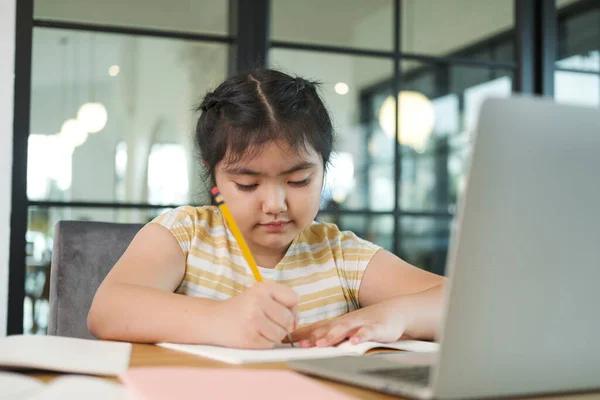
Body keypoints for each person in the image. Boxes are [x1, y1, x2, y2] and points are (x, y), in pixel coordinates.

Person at [87, 69, 445, 349]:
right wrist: (220, 320)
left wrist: (398, 313)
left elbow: (461, 303)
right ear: (213, 175)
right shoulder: (186, 234)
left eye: (299, 180)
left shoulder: (339, 254)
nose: (275, 205)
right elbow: (108, 310)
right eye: (247, 185)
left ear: (325, 167)